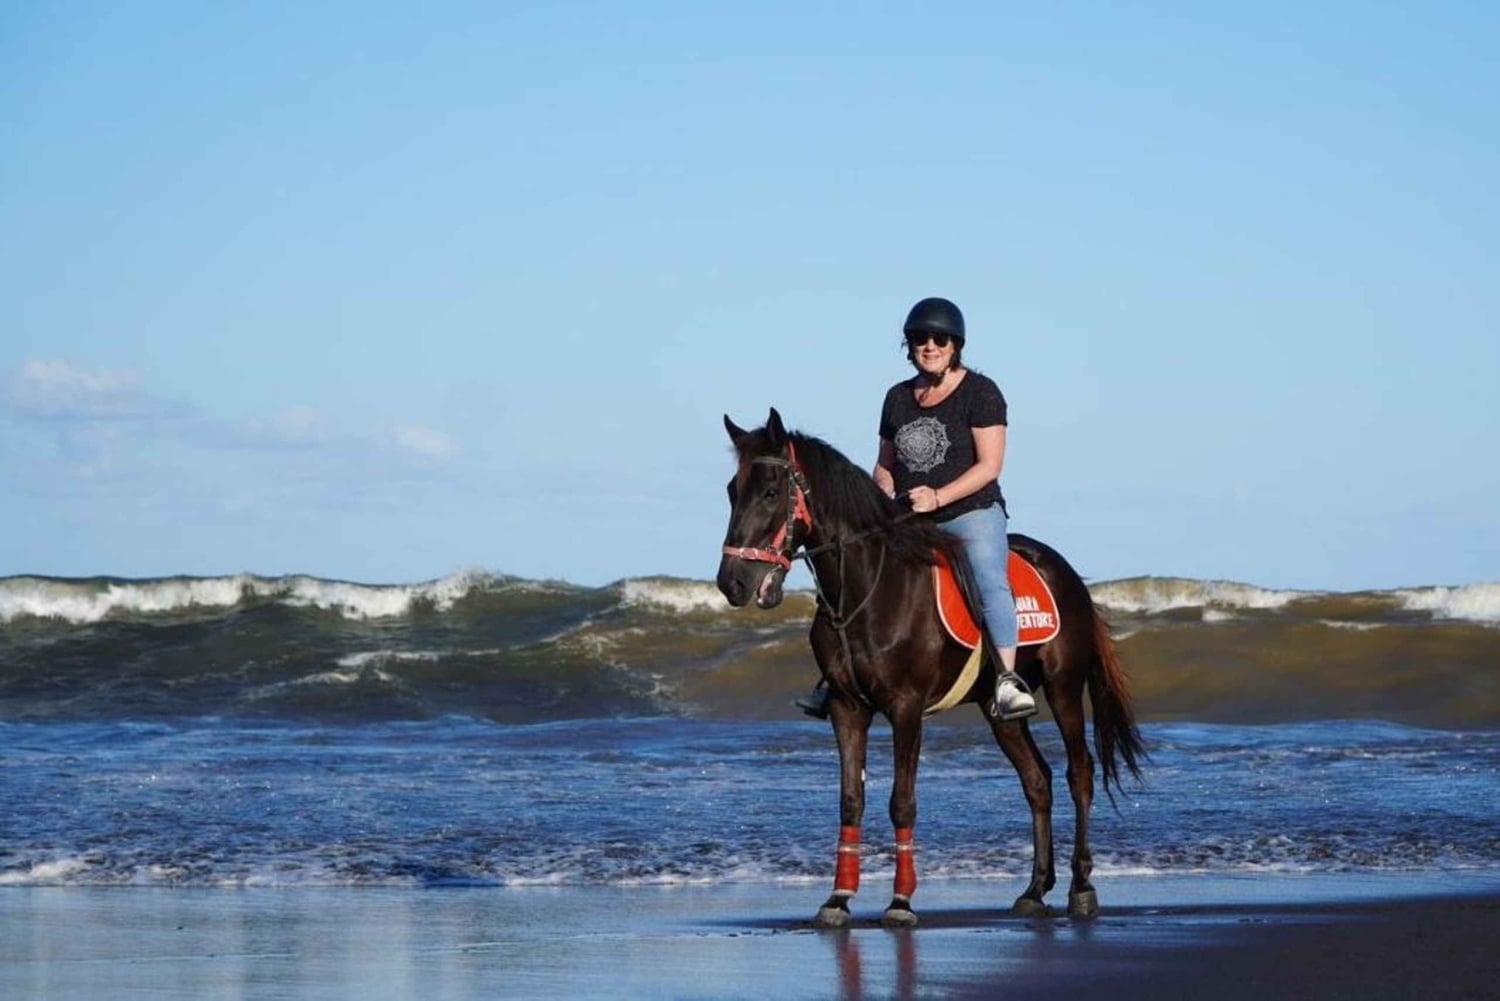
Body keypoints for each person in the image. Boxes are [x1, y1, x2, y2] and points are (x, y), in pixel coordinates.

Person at [797, 296, 1038, 721]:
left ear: (955, 344)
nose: (929, 345)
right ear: (909, 345)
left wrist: (939, 497)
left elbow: (990, 466)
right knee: (851, 570)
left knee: (987, 574)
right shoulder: (897, 398)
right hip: (907, 515)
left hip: (970, 510)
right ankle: (837, 679)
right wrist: (881, 491)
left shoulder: (980, 393)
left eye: (939, 338)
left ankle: (1007, 679)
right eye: (919, 338)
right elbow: (885, 463)